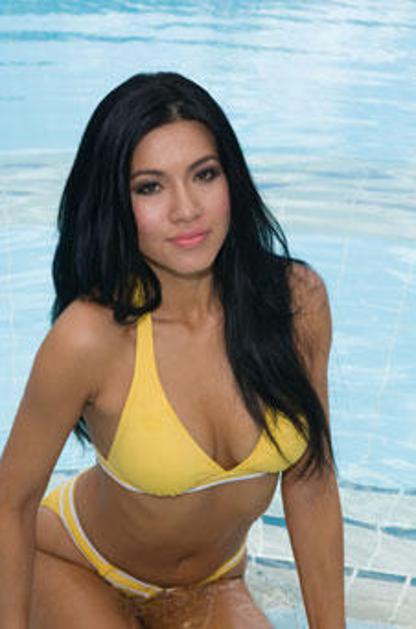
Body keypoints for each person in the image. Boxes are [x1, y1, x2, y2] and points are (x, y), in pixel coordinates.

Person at [0, 72, 344, 628]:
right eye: (150, 187)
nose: (187, 209)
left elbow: (312, 480)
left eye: (204, 175)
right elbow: (10, 502)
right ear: (116, 202)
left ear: (232, 178)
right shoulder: (90, 337)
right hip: (72, 562)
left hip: (211, 582)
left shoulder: (295, 303)